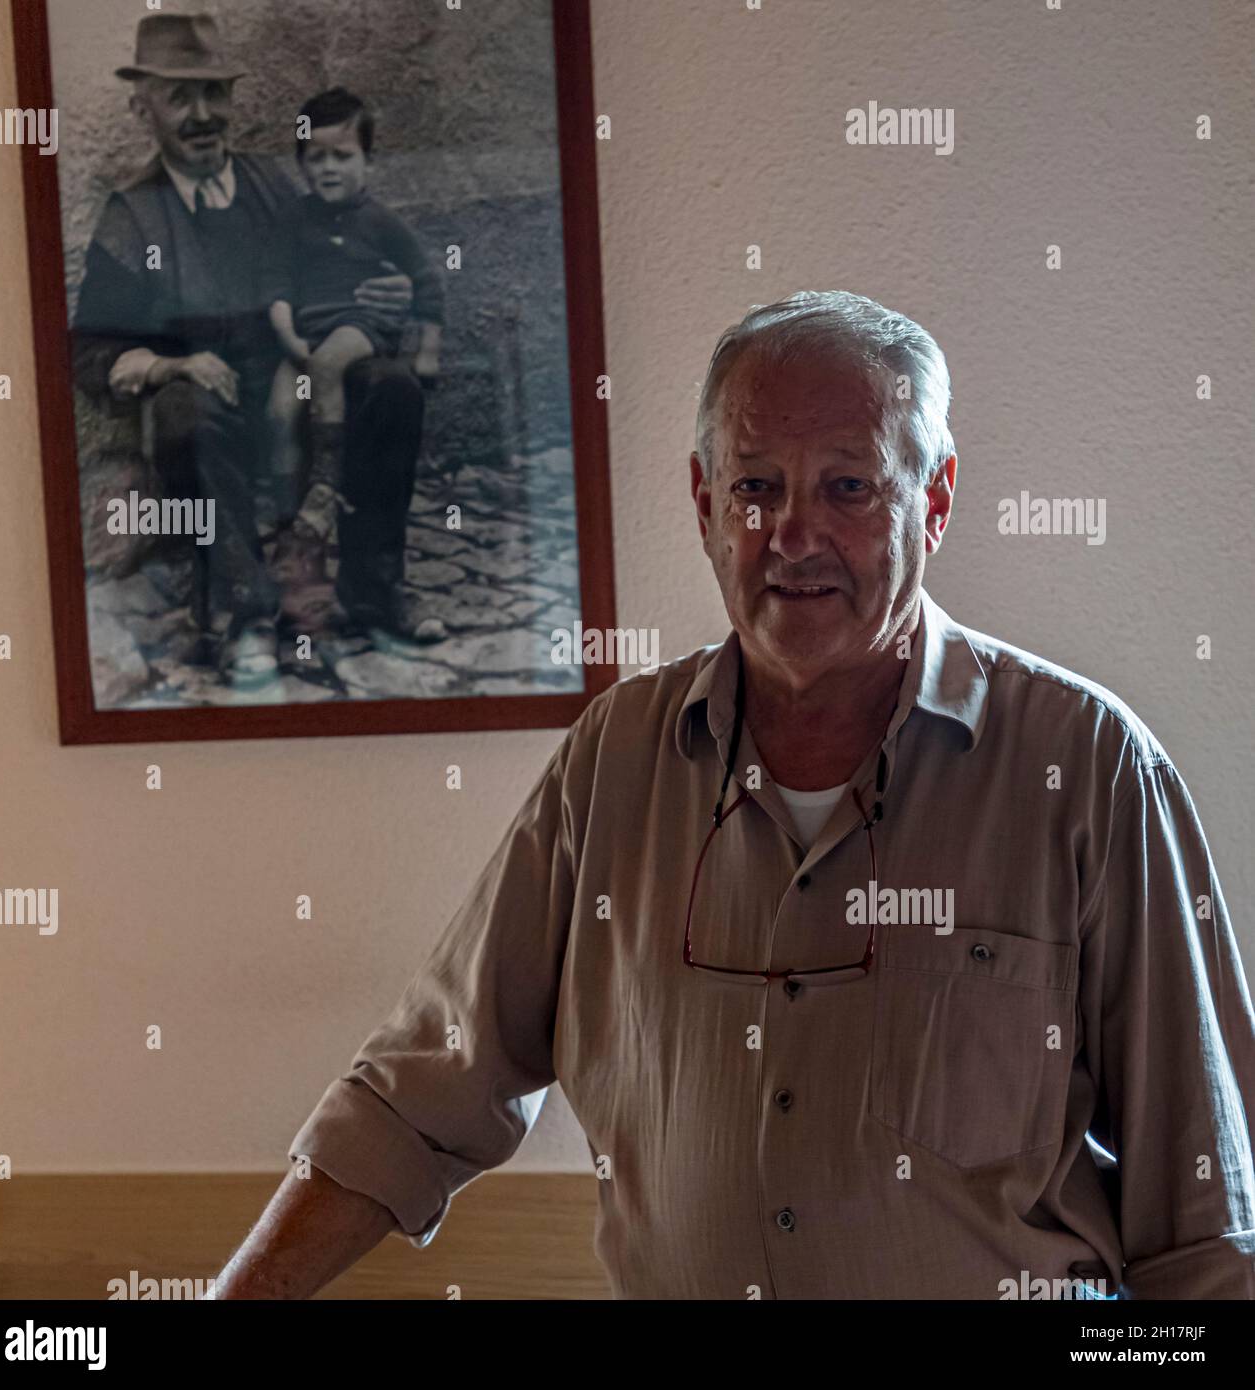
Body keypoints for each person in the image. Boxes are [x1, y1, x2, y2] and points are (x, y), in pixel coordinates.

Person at [211, 290, 1255, 1299]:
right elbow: (413, 1101)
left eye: (848, 487)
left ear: (932, 501)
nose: (793, 533)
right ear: (705, 503)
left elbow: (1209, 1223)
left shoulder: (1086, 768)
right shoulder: (614, 762)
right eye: (756, 486)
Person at [71, 13, 444, 689]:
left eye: (215, 93)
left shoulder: (276, 185)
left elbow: (341, 253)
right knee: (185, 414)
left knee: (392, 387)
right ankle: (241, 608)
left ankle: (373, 585)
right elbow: (91, 348)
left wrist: (385, 294)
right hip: (206, 383)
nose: (202, 114)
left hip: (296, 366)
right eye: (180, 97)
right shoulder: (133, 217)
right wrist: (166, 365)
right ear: (142, 106)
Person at [264, 85, 445, 605]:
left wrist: (427, 347)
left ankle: (326, 486)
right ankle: (290, 518)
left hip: (358, 328)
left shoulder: (381, 222)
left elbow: (426, 281)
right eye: (315, 157)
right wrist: (288, 336)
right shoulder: (293, 221)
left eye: (342, 156)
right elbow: (276, 287)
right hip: (304, 337)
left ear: (368, 159)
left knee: (325, 367)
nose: (328, 168)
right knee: (279, 408)